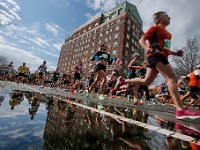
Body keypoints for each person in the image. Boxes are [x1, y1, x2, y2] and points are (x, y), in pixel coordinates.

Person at [114, 11, 200, 119]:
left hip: (161, 56)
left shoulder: (168, 35)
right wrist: (147, 48)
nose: (169, 17)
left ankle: (124, 81)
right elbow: (142, 40)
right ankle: (180, 109)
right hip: (155, 55)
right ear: (159, 18)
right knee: (172, 78)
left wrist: (175, 53)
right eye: (166, 15)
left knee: (147, 81)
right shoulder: (154, 28)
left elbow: (166, 49)